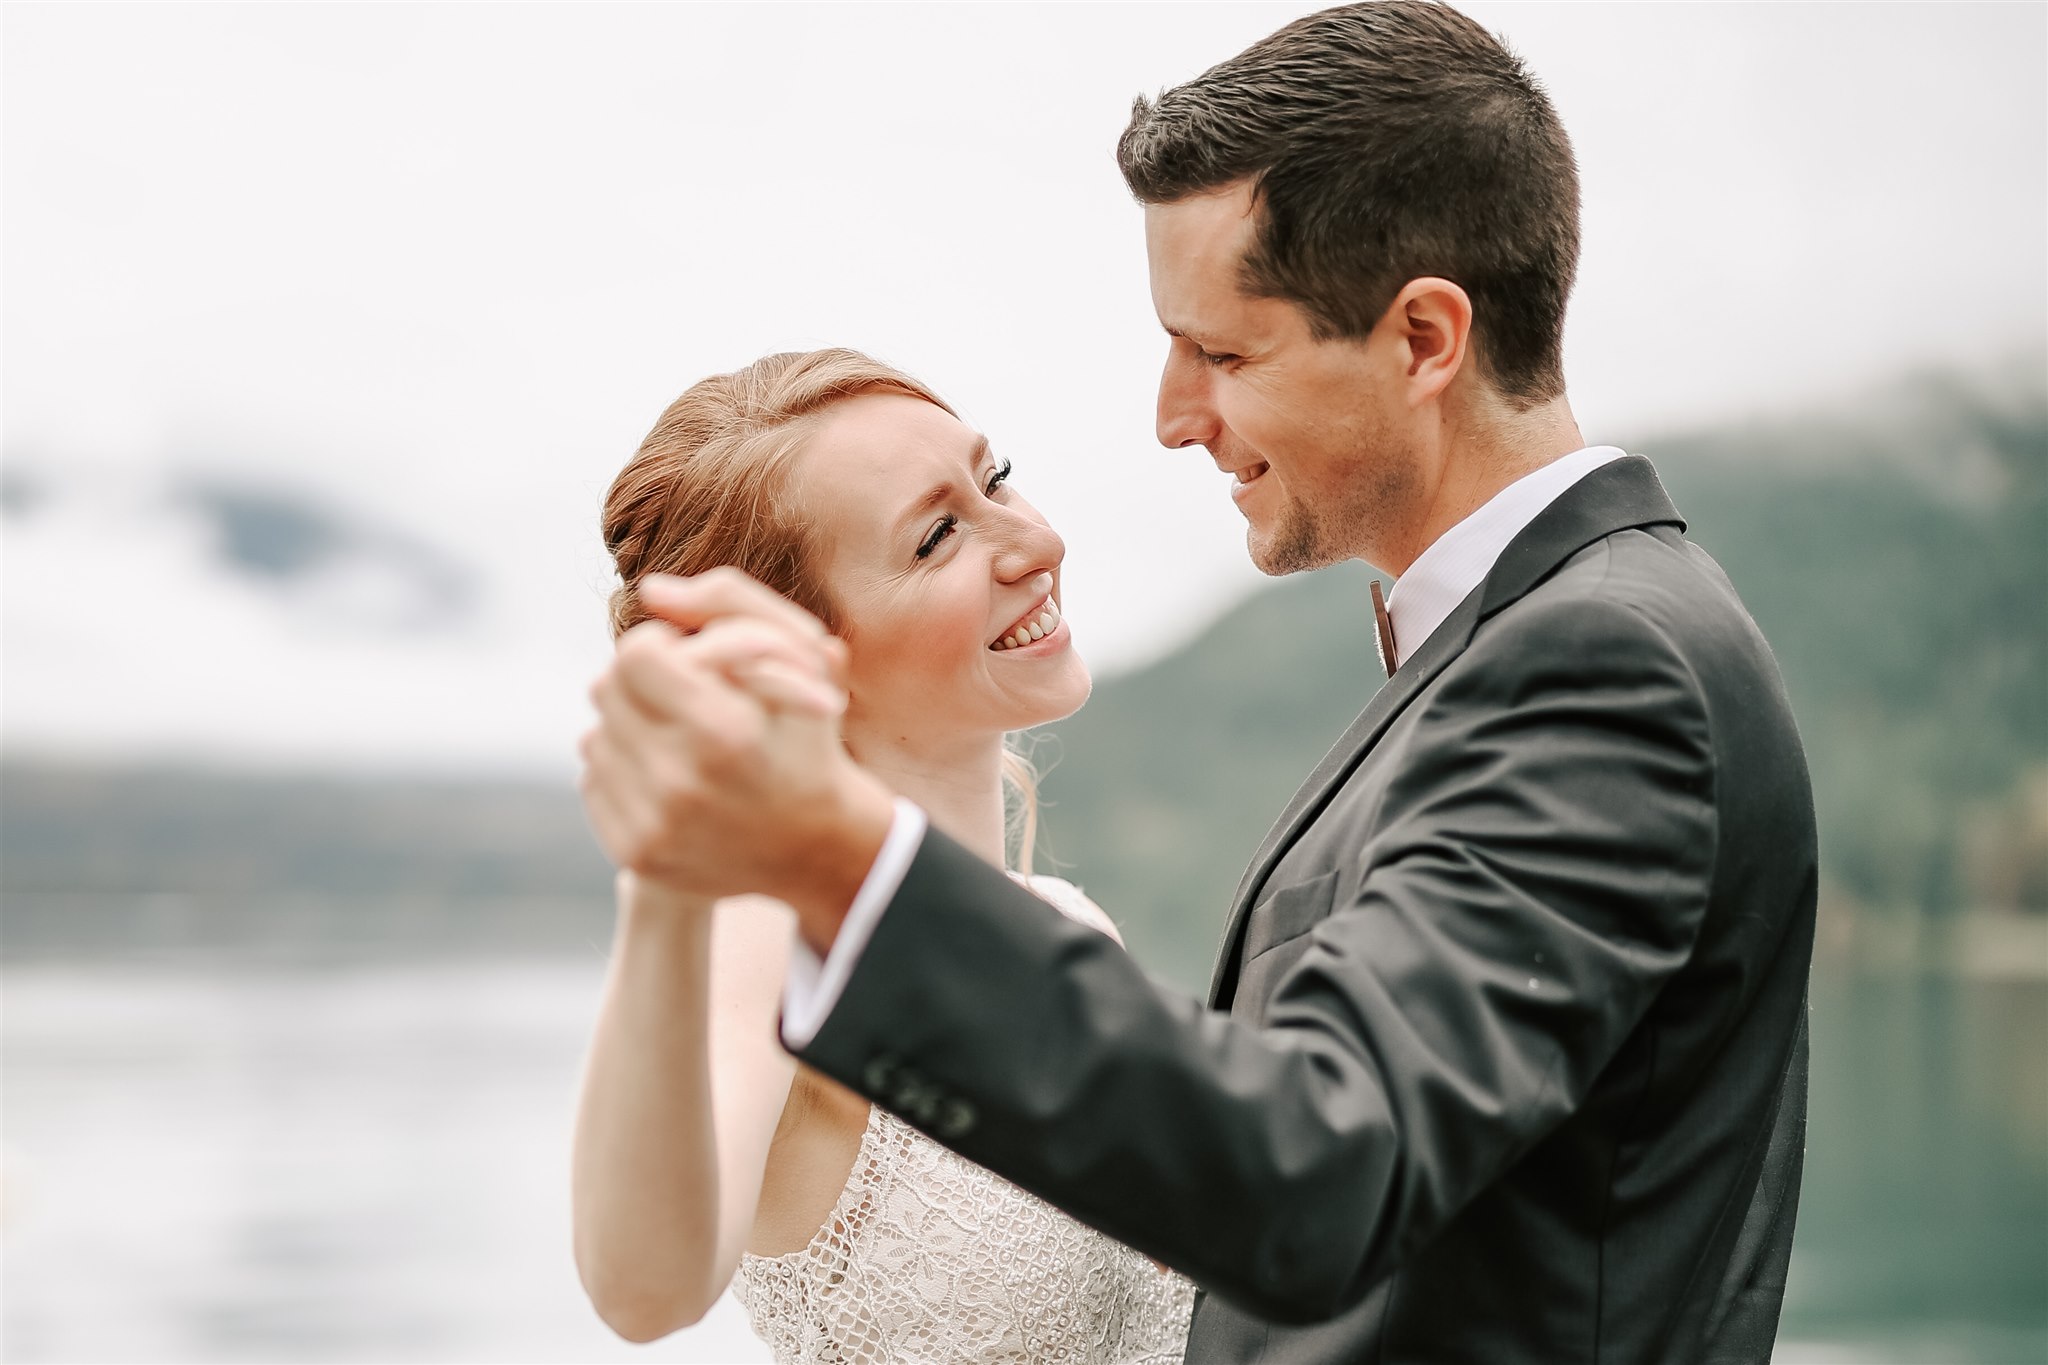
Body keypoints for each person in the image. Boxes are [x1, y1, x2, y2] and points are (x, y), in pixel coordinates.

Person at [579, 4, 1816, 1362]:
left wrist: (841, 858)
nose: (1172, 416)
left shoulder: (1599, 660)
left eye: (1223, 352)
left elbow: (1320, 1164)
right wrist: (704, 874)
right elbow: (645, 1285)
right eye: (937, 532)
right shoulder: (1517, 652)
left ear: (1420, 341)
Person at [570, 348, 1195, 1362]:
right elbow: (642, 1292)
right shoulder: (775, 936)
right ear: (796, 652)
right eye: (938, 535)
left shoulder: (1070, 929)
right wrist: (668, 884)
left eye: (993, 478)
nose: (1034, 539)